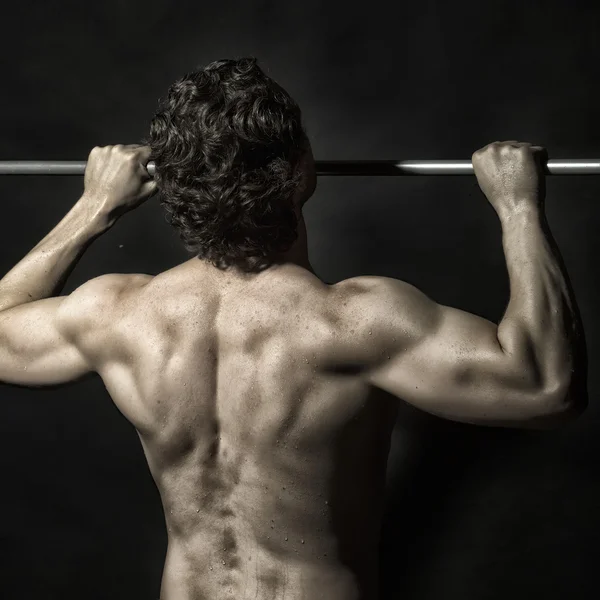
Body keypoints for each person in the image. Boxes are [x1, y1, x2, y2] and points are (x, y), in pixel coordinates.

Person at [0, 58, 587, 600]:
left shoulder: (120, 316)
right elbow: (543, 386)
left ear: (171, 185)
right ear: (302, 171)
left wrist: (93, 206)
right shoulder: (354, 323)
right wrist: (519, 208)